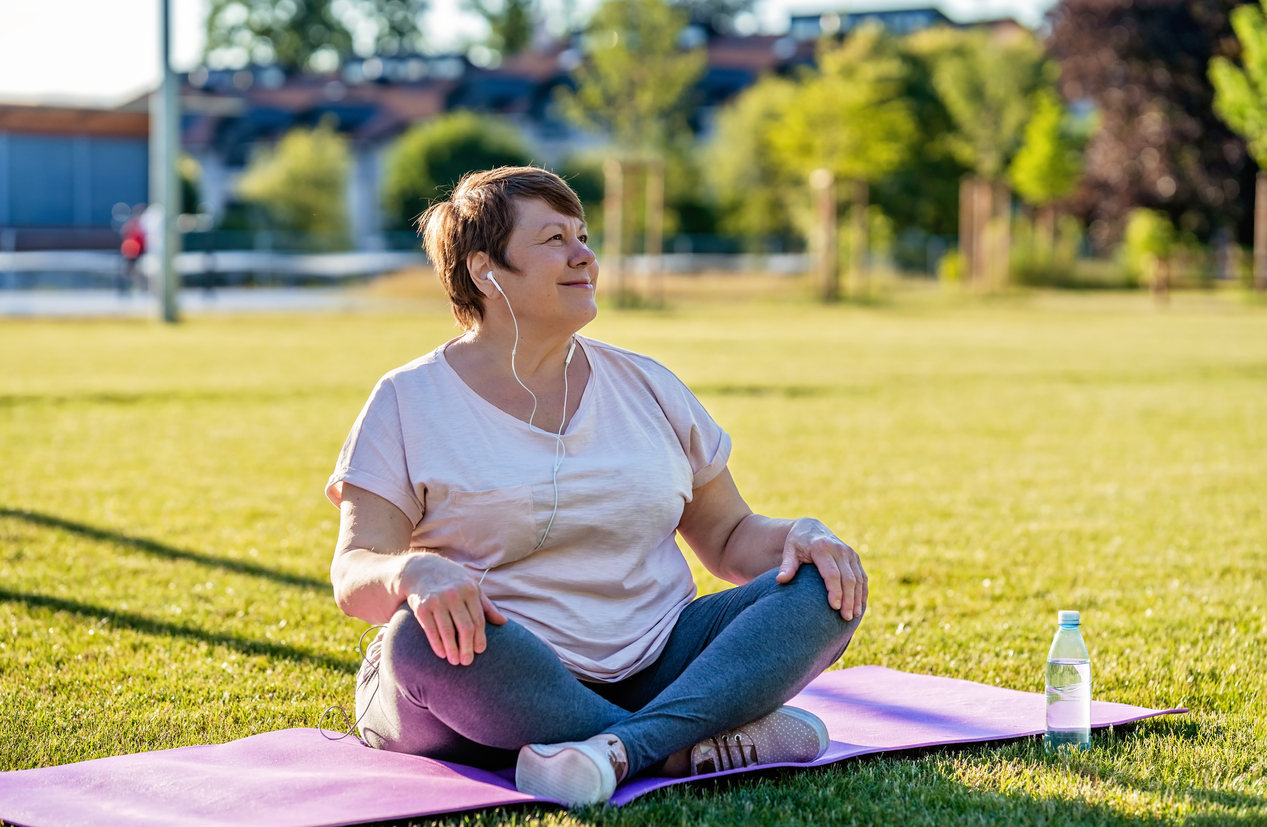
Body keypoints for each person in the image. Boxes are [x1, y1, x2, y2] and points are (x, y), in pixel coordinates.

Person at [326, 166, 867, 806]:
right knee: (415, 639)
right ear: (484, 271)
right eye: (554, 238)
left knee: (820, 586)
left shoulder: (646, 385)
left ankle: (618, 748)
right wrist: (411, 574)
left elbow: (729, 537)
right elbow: (354, 571)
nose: (585, 255)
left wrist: (802, 536)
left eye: (583, 236)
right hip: (495, 673)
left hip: (657, 664)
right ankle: (680, 743)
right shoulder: (408, 400)